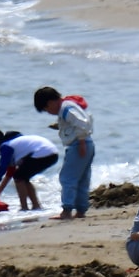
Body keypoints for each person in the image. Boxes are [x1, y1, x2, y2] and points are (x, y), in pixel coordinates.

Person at [33, 86, 95, 220]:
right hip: (87, 143)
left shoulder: (66, 108)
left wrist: (82, 141)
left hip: (79, 144)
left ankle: (66, 210)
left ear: (50, 102)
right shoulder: (69, 106)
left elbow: (81, 123)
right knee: (82, 179)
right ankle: (81, 210)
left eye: (46, 109)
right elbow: (85, 120)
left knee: (67, 178)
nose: (48, 112)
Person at [0, 128, 57, 212]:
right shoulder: (14, 143)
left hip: (42, 153)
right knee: (23, 177)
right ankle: (36, 206)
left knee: (19, 177)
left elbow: (1, 170)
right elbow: (10, 173)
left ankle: (24, 207)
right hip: (52, 152)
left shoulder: (5, 147)